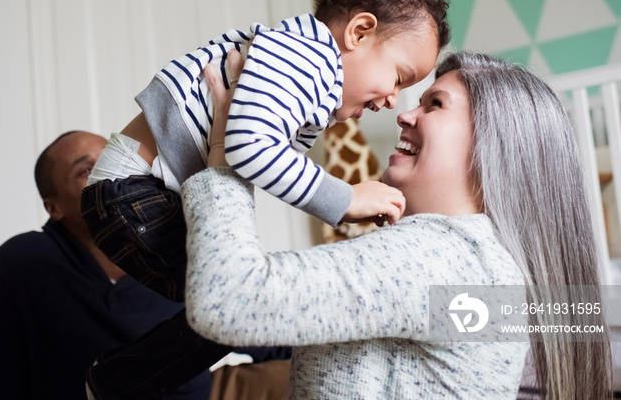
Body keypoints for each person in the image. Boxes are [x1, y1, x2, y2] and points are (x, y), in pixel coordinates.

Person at [81, 0, 450, 398]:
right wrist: (346, 197)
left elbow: (253, 151)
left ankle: (116, 378)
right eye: (399, 77)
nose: (396, 103)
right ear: (358, 32)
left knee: (228, 307)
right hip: (136, 189)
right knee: (236, 305)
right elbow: (248, 147)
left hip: (136, 191)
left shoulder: (302, 67)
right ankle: (117, 379)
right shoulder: (307, 59)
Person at [180, 50, 612, 399]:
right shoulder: (487, 266)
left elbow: (227, 298)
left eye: (435, 104)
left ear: (493, 149)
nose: (404, 114)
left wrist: (224, 161)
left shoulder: (441, 254)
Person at [0, 131, 213, 400]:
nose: (111, 176)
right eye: (86, 170)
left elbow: (238, 320)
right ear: (53, 207)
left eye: (111, 160)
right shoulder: (18, 265)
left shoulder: (179, 246)